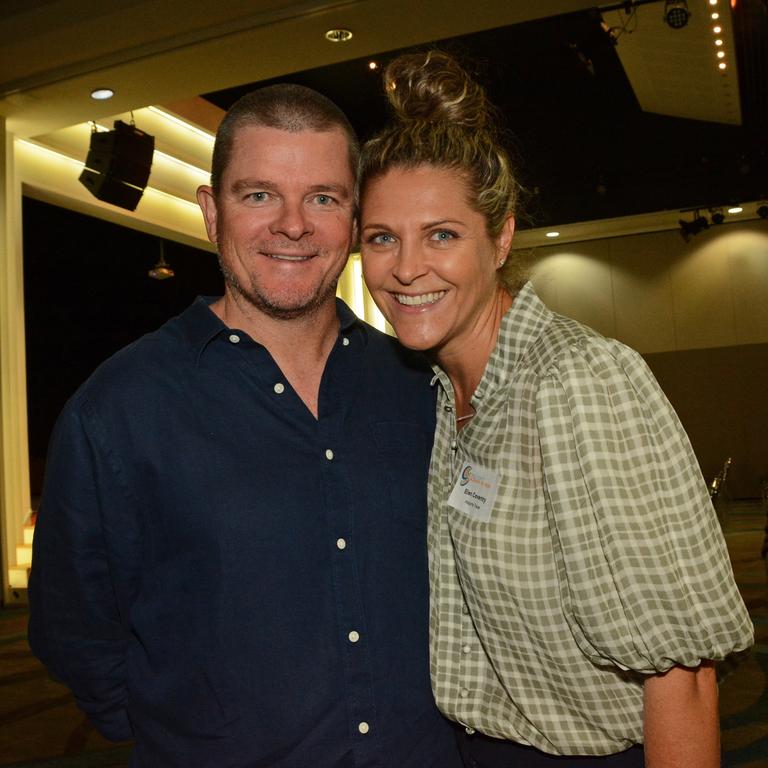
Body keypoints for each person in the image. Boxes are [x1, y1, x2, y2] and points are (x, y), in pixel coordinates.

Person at [28, 83, 462, 768]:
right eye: (258, 195)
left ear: (353, 219)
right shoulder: (118, 409)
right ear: (211, 211)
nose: (293, 224)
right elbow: (74, 631)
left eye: (323, 197)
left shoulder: (419, 388)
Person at [358, 51, 754, 768]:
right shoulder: (450, 392)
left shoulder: (576, 381)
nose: (406, 267)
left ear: (500, 237)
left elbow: (683, 683)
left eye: (441, 235)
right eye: (382, 237)